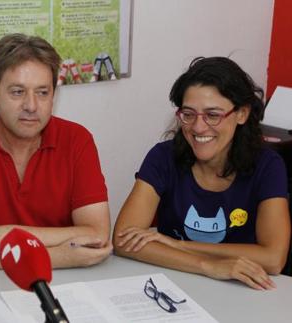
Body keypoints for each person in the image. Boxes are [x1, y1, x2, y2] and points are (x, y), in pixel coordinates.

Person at [0, 33, 112, 269]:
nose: (31, 106)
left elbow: (96, 236)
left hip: (66, 284)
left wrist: (5, 235)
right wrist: (61, 256)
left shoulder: (77, 140)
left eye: (42, 92)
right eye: (18, 92)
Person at [113, 57, 290, 290]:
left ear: (242, 114)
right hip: (174, 283)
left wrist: (177, 245)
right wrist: (208, 265)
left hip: (243, 291)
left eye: (213, 115)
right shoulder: (163, 157)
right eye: (188, 114)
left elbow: (273, 259)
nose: (198, 127)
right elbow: (123, 240)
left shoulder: (268, 165)